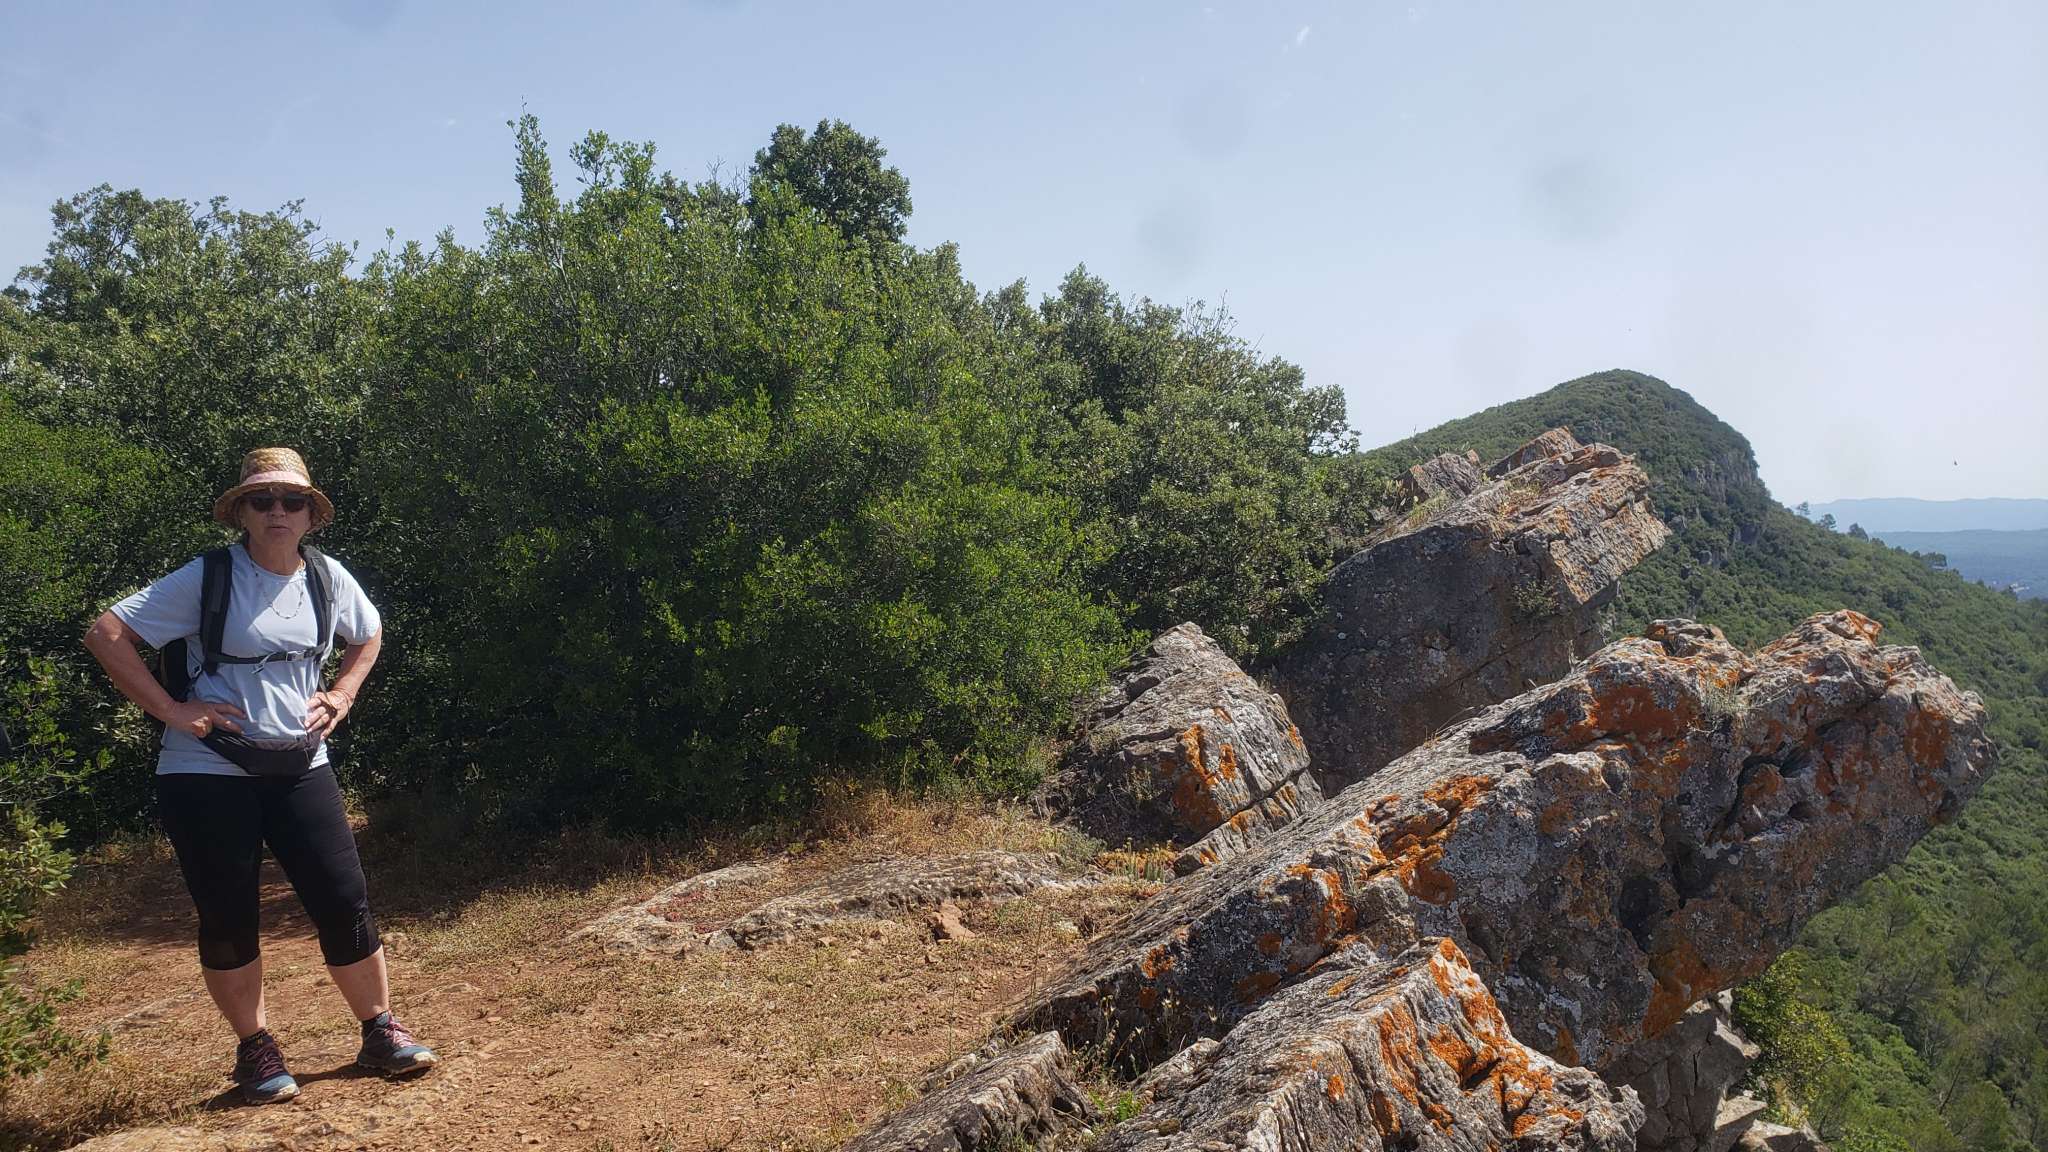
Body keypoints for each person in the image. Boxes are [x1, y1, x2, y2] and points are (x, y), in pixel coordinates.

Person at [83, 448, 434, 1104]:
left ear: (310, 515)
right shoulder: (207, 578)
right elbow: (106, 634)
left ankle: (379, 1030)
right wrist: (171, 710)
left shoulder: (327, 577)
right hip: (207, 769)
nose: (278, 511)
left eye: (291, 501)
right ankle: (256, 1050)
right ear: (241, 512)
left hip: (302, 764)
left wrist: (343, 694)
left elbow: (369, 634)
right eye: (262, 500)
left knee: (343, 898)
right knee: (227, 913)